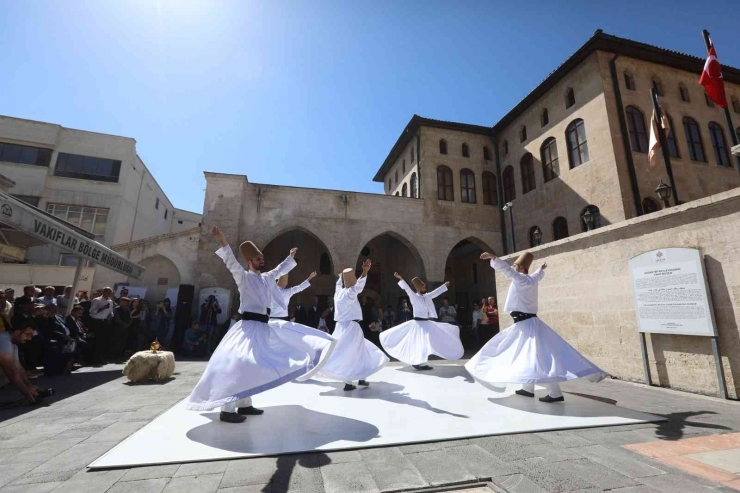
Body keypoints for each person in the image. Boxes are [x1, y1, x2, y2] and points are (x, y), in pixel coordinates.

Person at [184, 226, 335, 423]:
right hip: (247, 327)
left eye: (262, 258)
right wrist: (222, 240)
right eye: (258, 259)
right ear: (249, 262)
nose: (261, 261)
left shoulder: (266, 278)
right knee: (239, 364)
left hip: (263, 327)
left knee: (253, 366)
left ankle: (245, 403)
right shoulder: (244, 277)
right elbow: (230, 262)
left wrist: (290, 258)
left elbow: (280, 269)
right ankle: (226, 408)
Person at [466, 251, 607, 402]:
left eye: (515, 266)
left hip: (526, 325)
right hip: (528, 323)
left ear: (520, 268)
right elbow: (538, 274)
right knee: (530, 355)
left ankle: (555, 393)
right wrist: (541, 268)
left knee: (537, 356)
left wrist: (494, 258)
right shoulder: (532, 279)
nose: (513, 268)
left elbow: (506, 270)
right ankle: (528, 388)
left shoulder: (520, 279)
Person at [319, 261, 389, 391]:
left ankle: (351, 380)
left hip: (340, 327)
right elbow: (359, 286)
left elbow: (338, 284)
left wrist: (341, 276)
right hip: (352, 326)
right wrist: (365, 271)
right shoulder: (350, 292)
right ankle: (358, 378)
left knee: (345, 352)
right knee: (358, 351)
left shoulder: (338, 293)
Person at [380, 274, 463, 371]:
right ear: (419, 288)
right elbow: (407, 288)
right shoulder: (414, 297)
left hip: (426, 323)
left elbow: (436, 292)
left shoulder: (427, 296)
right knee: (419, 344)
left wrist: (444, 286)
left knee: (425, 344)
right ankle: (417, 362)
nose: (425, 288)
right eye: (423, 286)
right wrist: (401, 279)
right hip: (418, 324)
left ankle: (422, 363)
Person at [267, 270, 336, 376]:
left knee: (276, 345)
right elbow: (300, 287)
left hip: (275, 321)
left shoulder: (271, 292)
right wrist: (309, 278)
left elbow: (299, 287)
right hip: (278, 322)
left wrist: (309, 278)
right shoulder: (281, 292)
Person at [0, 323, 44, 404]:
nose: (30, 338)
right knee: (7, 372)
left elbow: (19, 368)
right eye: (28, 335)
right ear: (17, 332)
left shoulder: (14, 343)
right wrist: (27, 393)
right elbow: (11, 371)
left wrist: (30, 386)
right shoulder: (3, 340)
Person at [89, 288, 115, 363]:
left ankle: (101, 358)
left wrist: (110, 315)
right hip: (97, 322)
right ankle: (93, 359)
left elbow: (111, 311)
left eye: (110, 292)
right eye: (107, 292)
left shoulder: (110, 301)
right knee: (96, 340)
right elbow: (92, 312)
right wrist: (102, 308)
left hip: (105, 322)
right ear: (103, 292)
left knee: (104, 340)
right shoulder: (97, 300)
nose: (109, 293)